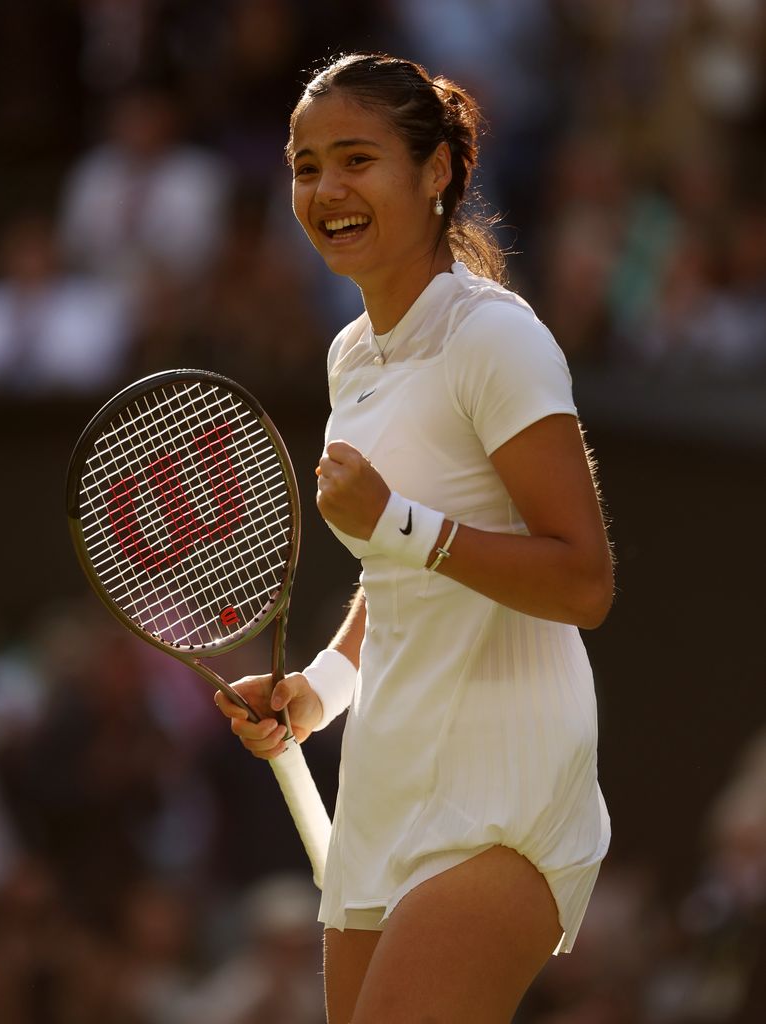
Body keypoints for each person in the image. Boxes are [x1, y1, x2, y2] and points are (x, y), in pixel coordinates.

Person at [216, 52, 613, 1024]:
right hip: (384, 787)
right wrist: (321, 688)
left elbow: (582, 581)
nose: (327, 189)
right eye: (307, 166)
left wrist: (398, 518)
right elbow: (399, 577)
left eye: (358, 159)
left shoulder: (493, 337)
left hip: (505, 800)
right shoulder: (350, 357)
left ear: (434, 172)